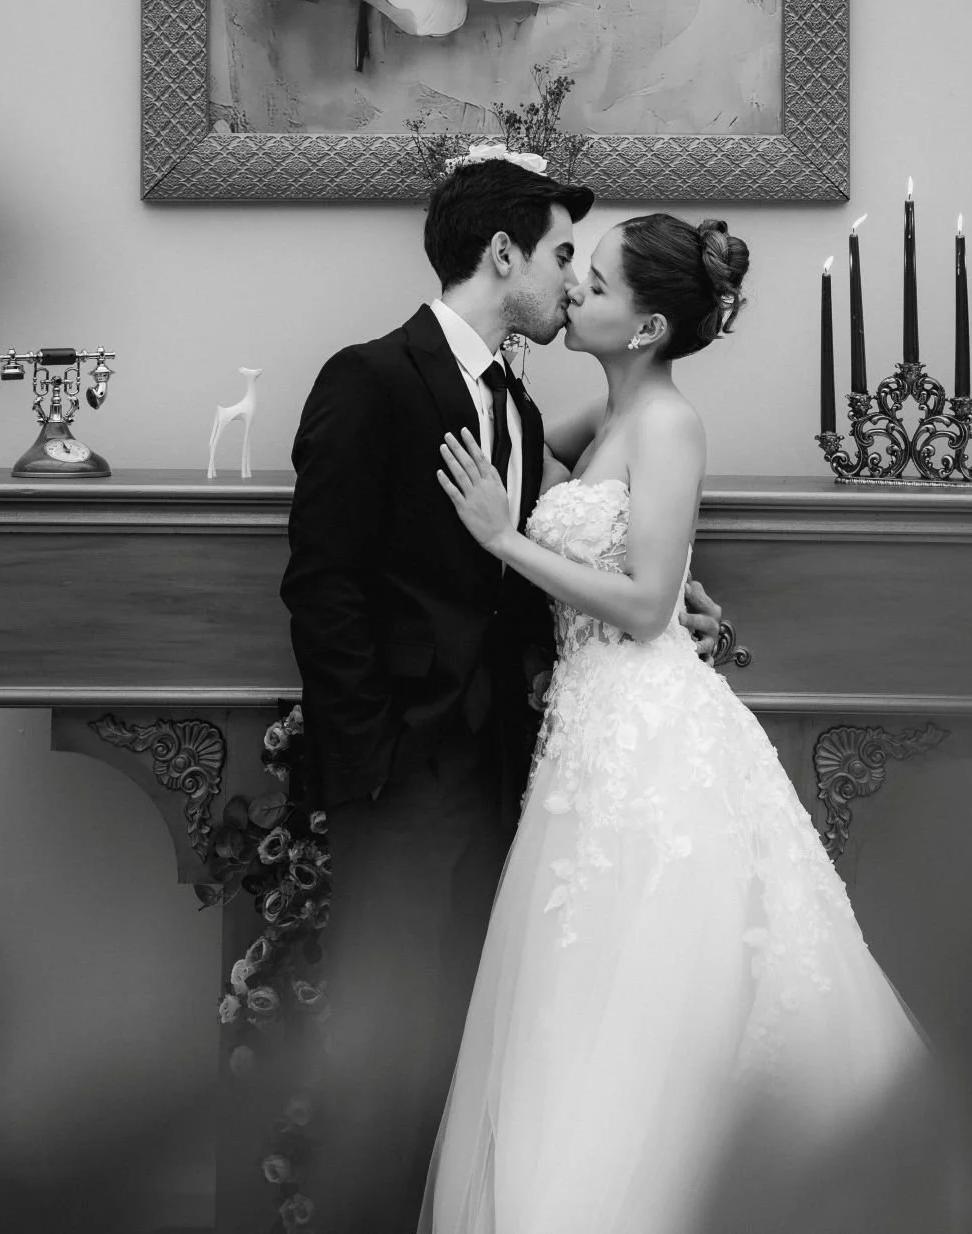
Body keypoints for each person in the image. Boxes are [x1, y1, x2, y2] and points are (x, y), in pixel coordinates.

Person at [421, 213, 927, 1234]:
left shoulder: (669, 424)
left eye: (595, 284)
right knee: (583, 995)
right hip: (588, 726)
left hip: (647, 728)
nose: (573, 291)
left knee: (651, 979)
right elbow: (568, 487)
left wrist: (504, 541)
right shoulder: (594, 421)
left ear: (647, 328)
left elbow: (646, 603)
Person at [280, 157, 726, 1234]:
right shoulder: (371, 379)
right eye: (565, 255)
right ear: (503, 255)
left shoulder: (522, 409)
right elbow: (323, 586)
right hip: (400, 781)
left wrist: (674, 596)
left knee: (474, 1063)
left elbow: (550, 554)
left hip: (513, 784)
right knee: (379, 1061)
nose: (574, 282)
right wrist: (365, 764)